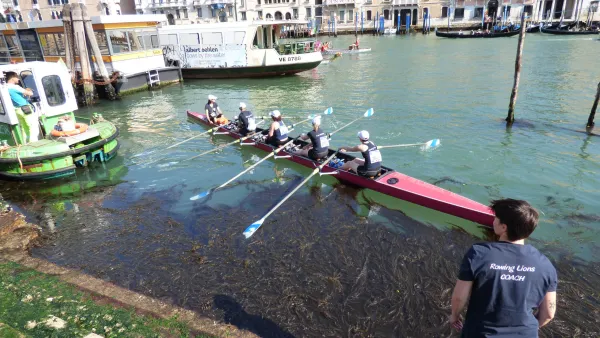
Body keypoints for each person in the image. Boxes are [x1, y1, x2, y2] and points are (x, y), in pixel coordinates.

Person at [449, 199, 558, 337]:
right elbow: (548, 313)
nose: (493, 221)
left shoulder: (479, 253)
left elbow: (459, 297)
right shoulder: (545, 264)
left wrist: (454, 316)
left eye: (496, 218)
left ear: (504, 227)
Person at [6, 71, 38, 143]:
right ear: (12, 78)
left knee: (24, 127)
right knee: (32, 126)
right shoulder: (15, 87)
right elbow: (30, 93)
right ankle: (34, 143)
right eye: (16, 77)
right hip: (25, 108)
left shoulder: (5, 87)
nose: (18, 79)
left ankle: (25, 143)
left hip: (17, 109)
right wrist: (28, 90)